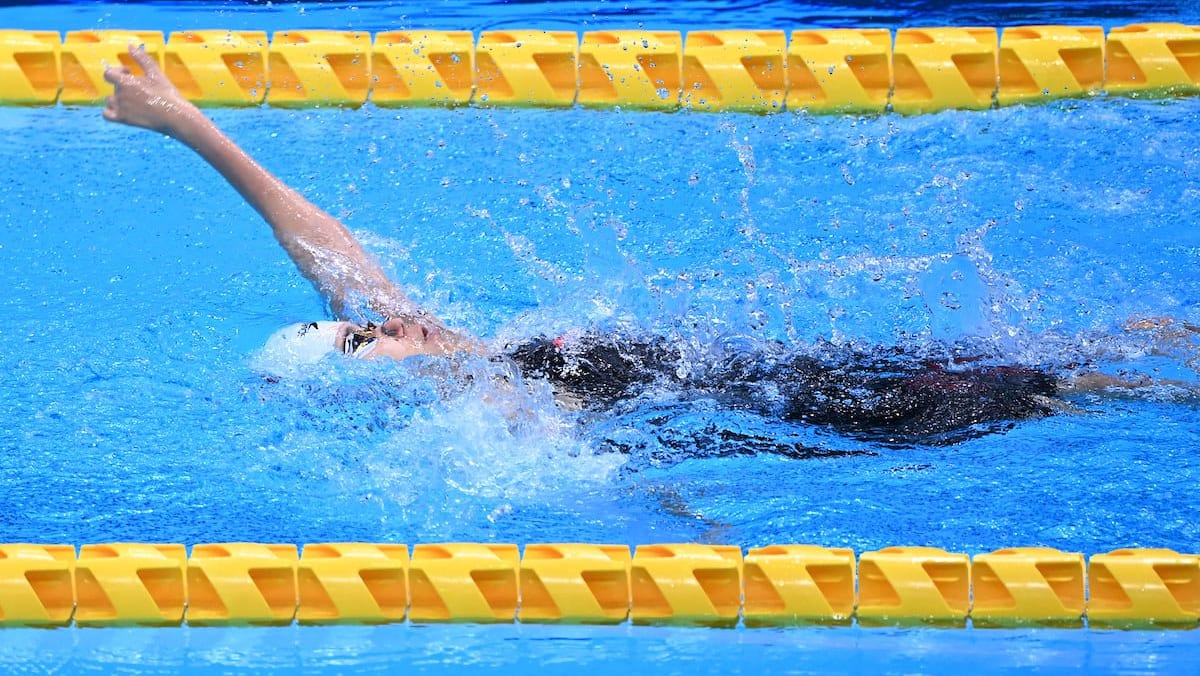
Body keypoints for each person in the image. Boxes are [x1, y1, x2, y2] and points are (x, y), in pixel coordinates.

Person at [101, 46, 1189, 451]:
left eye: (357, 318)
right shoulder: (500, 416)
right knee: (1062, 388)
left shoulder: (474, 351)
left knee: (1082, 348)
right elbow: (633, 501)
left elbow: (318, 242)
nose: (376, 319)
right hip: (819, 418)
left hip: (783, 372)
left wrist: (187, 122)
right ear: (377, 387)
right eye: (360, 341)